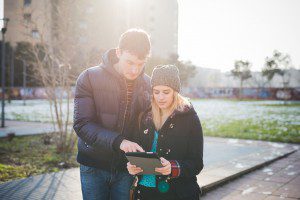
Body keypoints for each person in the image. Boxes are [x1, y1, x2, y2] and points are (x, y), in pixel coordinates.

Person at [73, 29, 151, 200]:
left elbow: (147, 127)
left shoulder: (148, 84)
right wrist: (119, 141)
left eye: (140, 64)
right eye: (129, 62)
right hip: (93, 166)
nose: (134, 70)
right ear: (118, 52)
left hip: (127, 169)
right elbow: (82, 124)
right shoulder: (89, 77)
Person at [127, 65, 204, 200]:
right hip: (144, 192)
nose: (160, 97)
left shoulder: (190, 118)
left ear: (175, 91)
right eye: (156, 92)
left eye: (166, 92)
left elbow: (196, 163)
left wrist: (172, 167)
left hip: (177, 193)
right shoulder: (145, 117)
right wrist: (131, 167)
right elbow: (135, 153)